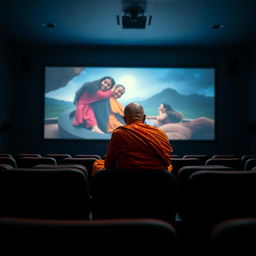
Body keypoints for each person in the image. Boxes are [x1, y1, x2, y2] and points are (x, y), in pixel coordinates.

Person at [92, 102, 173, 176]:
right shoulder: (160, 133)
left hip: (125, 175)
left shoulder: (119, 133)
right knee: (169, 168)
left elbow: (108, 164)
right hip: (156, 177)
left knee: (98, 164)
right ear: (144, 118)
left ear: (124, 119)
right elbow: (166, 161)